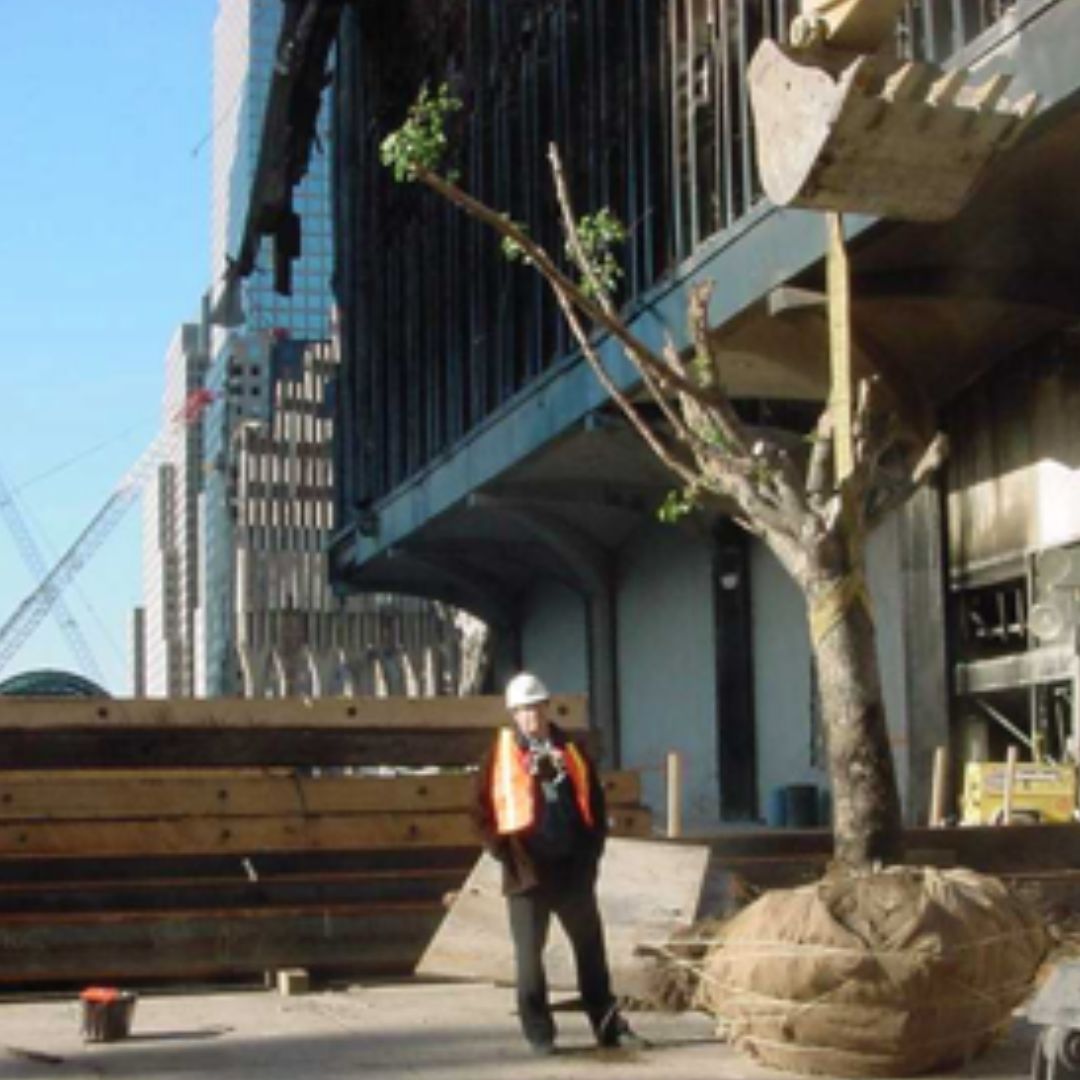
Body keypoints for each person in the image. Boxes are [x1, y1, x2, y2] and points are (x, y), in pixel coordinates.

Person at [475, 671, 636, 1055]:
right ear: (513, 714)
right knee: (530, 961)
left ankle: (607, 1025)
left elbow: (593, 806)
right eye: (522, 710)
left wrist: (590, 854)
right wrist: (505, 853)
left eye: (536, 707)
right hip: (527, 874)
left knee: (591, 952)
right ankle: (540, 1034)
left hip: (572, 870)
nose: (531, 716)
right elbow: (480, 813)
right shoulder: (498, 757)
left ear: (547, 708)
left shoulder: (572, 752)